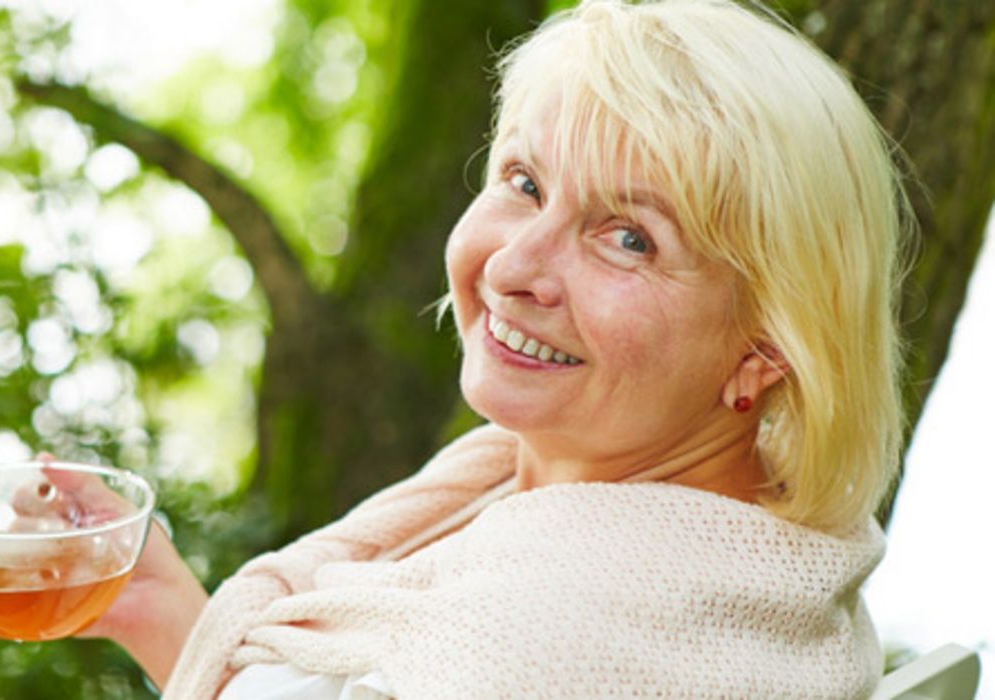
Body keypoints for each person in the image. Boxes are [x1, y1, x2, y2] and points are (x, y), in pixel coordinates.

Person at [72, 0, 911, 696]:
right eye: (524, 183)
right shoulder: (720, 565)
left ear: (766, 350)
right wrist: (167, 615)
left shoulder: (543, 634)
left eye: (628, 238)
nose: (513, 266)